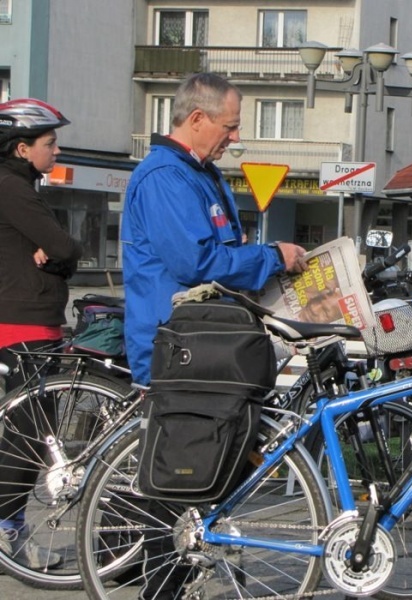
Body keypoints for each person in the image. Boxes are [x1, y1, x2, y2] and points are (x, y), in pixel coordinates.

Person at [121, 73, 307, 599]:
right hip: (175, 343)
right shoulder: (165, 177)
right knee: (177, 474)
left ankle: (184, 575)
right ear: (196, 119)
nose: (235, 136)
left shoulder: (200, 174)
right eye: (229, 126)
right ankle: (162, 585)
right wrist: (271, 257)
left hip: (205, 341)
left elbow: (225, 250)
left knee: (202, 471)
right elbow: (196, 261)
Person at [0, 98, 83, 569]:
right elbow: (65, 244)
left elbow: (63, 250)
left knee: (29, 432)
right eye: (49, 143)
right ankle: (7, 531)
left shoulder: (20, 186)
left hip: (33, 319)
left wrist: (60, 254)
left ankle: (9, 529)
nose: (57, 151)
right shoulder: (12, 188)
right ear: (21, 147)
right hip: (21, 322)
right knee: (31, 434)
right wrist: (62, 253)